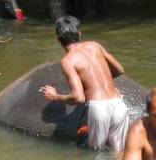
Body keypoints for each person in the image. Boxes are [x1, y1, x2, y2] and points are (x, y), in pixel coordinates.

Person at [39, 15, 128, 151]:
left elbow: (79, 98)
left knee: (96, 154)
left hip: (99, 108)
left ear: (58, 39)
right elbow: (119, 69)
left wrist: (55, 96)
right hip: (118, 103)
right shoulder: (95, 46)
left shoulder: (68, 61)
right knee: (118, 154)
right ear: (79, 34)